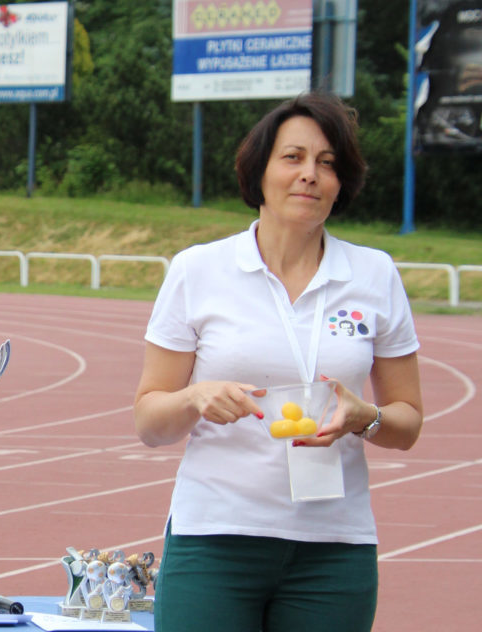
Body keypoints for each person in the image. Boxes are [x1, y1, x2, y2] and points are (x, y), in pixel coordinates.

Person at [133, 93, 423, 632]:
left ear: (341, 182)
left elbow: (406, 423)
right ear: (259, 172)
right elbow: (150, 422)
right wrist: (195, 397)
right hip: (215, 539)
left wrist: (366, 418)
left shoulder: (375, 274)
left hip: (334, 550)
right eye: (293, 157)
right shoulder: (198, 270)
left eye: (327, 162)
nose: (310, 174)